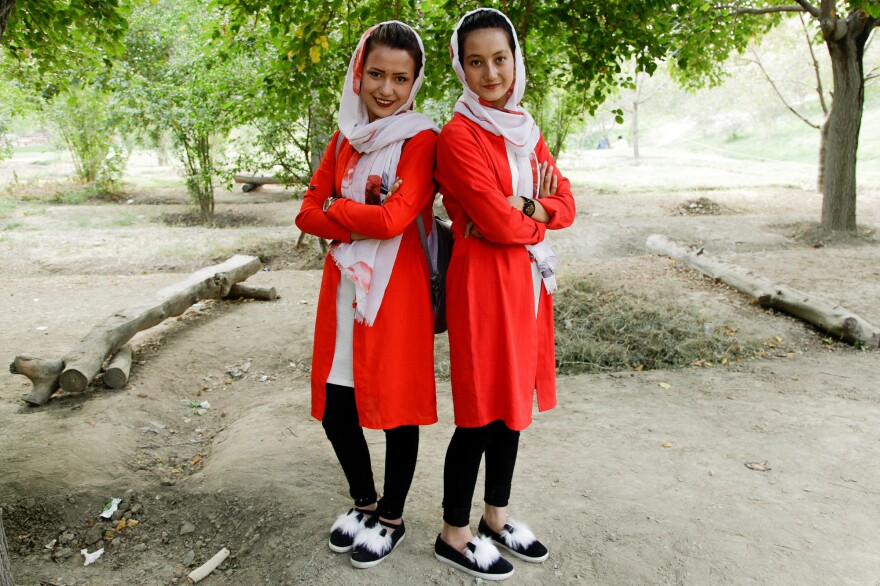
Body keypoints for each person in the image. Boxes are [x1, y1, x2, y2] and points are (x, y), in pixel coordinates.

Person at [432, 8, 576, 581]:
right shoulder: (458, 134)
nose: (490, 72)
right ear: (460, 68)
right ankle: (453, 532)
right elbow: (494, 222)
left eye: (499, 58)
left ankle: (496, 517)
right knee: (480, 411)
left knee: (513, 410)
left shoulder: (526, 127)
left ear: (516, 59)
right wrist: (532, 211)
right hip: (482, 284)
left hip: (526, 285)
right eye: (475, 62)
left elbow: (565, 200)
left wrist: (532, 207)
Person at [294, 21, 439, 569]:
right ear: (358, 73)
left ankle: (394, 517)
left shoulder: (423, 140)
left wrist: (337, 211)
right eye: (376, 74)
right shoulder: (344, 139)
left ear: (415, 81)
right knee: (337, 408)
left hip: (397, 295)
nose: (386, 89)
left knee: (398, 408)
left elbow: (397, 219)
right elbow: (306, 213)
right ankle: (365, 501)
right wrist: (355, 216)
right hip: (343, 293)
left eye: (400, 78)